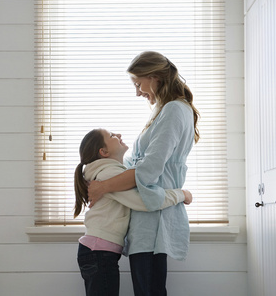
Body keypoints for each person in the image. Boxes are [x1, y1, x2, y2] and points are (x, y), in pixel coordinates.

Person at [87, 51, 200, 296]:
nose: (137, 92)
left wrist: (103, 186)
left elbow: (148, 171)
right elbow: (138, 166)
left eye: (138, 84)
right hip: (146, 220)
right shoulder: (164, 111)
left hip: (153, 221)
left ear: (155, 77)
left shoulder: (173, 110)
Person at [74, 128, 192, 296]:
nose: (119, 135)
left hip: (98, 252)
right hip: (98, 253)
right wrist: (181, 194)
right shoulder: (108, 174)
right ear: (103, 151)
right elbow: (145, 201)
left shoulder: (110, 172)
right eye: (112, 136)